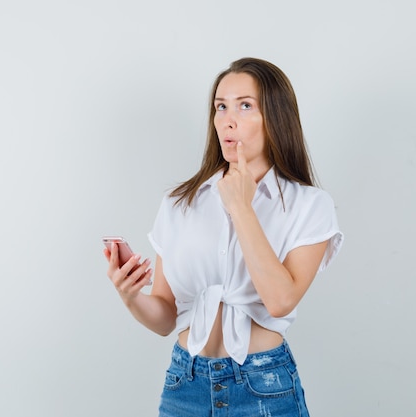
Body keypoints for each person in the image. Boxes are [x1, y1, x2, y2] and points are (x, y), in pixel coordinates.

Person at [103, 57, 343, 417]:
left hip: (263, 387)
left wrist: (242, 208)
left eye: (245, 106)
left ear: (275, 118)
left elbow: (280, 301)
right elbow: (167, 316)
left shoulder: (310, 205)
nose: (227, 119)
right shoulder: (181, 202)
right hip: (185, 384)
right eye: (220, 106)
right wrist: (130, 296)